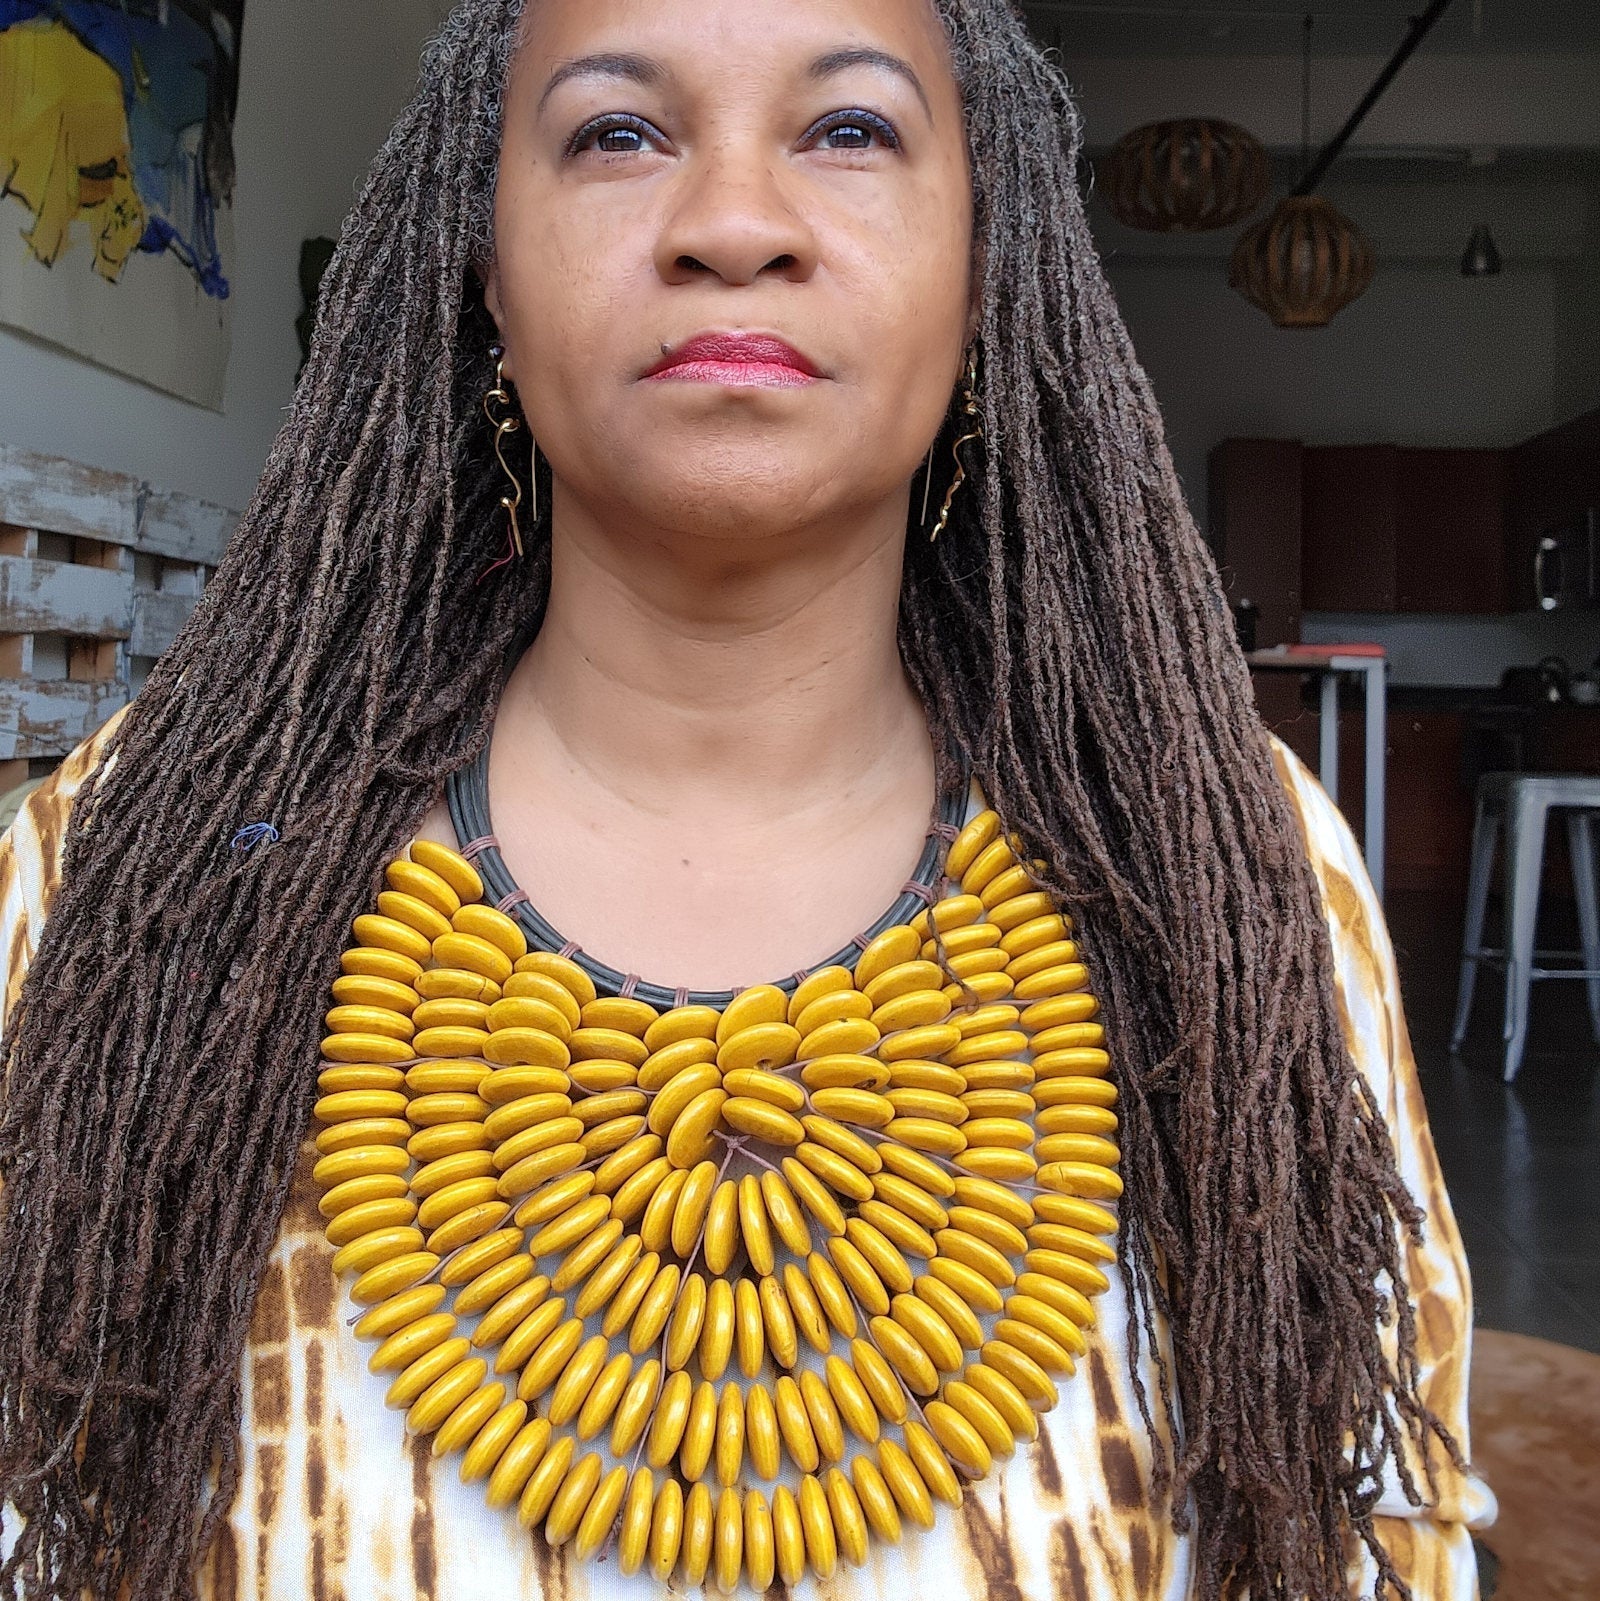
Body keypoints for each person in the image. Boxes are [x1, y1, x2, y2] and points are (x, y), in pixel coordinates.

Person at [0, 0, 1495, 1597]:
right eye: (617, 133)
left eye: (850, 130)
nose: (730, 224)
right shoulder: (126, 874)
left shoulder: (1231, 867)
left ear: (986, 268)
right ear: (486, 270)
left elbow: (1376, 1525)